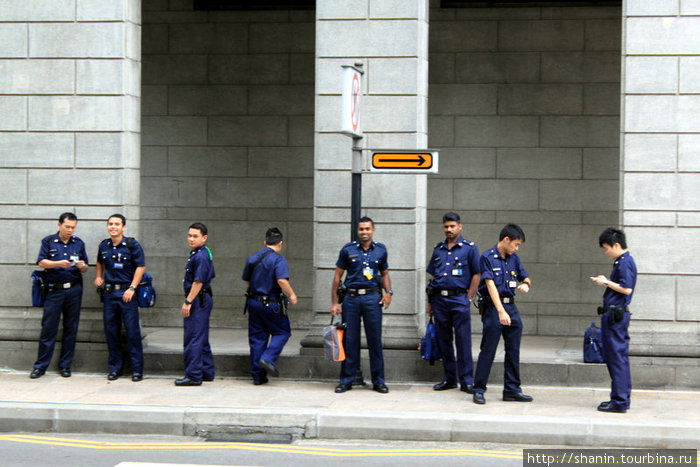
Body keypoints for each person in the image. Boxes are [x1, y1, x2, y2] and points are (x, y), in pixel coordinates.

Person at [331, 217, 393, 394]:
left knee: (375, 341)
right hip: (351, 299)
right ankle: (346, 380)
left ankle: (378, 381)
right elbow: (337, 278)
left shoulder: (381, 250)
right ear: (357, 231)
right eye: (361, 229)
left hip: (372, 299)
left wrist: (389, 293)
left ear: (373, 230)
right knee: (350, 340)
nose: (364, 232)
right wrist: (335, 302)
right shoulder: (347, 250)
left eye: (367, 229)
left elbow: (385, 274)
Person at [472, 223, 532, 404]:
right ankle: (479, 389)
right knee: (488, 349)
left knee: (513, 350)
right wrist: (500, 312)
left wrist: (526, 284)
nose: (517, 248)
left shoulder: (514, 258)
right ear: (506, 240)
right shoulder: (487, 257)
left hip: (511, 307)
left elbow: (526, 276)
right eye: (516, 244)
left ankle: (512, 389)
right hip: (494, 308)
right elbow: (490, 285)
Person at [426, 212, 481, 394]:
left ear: (460, 226)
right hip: (440, 300)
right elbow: (433, 275)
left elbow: (477, 274)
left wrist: (469, 297)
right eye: (446, 226)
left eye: (452, 226)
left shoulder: (469, 248)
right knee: (444, 340)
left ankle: (466, 381)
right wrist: (430, 302)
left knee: (463, 341)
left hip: (459, 299)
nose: (449, 230)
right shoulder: (438, 249)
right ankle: (449, 378)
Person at [31, 212, 89, 379]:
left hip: (73, 290)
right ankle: (40, 366)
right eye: (67, 227)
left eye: (73, 227)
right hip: (54, 291)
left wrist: (81, 265)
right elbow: (42, 262)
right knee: (49, 328)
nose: (70, 230)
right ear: (59, 225)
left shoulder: (78, 243)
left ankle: (65, 365)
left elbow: (85, 268)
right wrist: (58, 264)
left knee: (71, 328)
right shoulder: (48, 241)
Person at [242, 227, 298, 385]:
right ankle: (268, 358)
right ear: (280, 244)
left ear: (264, 242)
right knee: (282, 332)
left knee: (257, 338)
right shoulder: (278, 259)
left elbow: (246, 280)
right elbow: (281, 280)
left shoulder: (253, 258)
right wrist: (292, 295)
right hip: (271, 303)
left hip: (253, 302)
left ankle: (258, 376)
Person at [94, 214, 146, 382]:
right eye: (110, 224)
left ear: (123, 227)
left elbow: (140, 266)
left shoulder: (132, 245)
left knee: (132, 332)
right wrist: (98, 276)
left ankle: (137, 370)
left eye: (117, 224)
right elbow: (100, 262)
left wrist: (132, 287)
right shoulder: (104, 245)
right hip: (109, 294)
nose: (113, 227)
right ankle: (115, 368)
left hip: (127, 294)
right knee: (111, 332)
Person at [590, 227, 637, 413]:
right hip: (614, 315)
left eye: (606, 248)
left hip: (616, 316)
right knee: (617, 358)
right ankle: (620, 398)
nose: (606, 252)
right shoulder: (622, 262)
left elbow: (626, 289)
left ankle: (619, 401)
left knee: (616, 357)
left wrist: (606, 282)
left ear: (616, 245)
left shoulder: (625, 262)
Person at [175, 222, 215, 386]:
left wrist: (188, 301)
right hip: (202, 298)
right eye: (189, 235)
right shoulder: (200, 252)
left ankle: (194, 375)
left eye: (195, 236)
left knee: (193, 337)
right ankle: (206, 370)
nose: (191, 239)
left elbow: (198, 282)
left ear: (204, 238)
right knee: (201, 337)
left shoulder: (201, 256)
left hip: (198, 299)